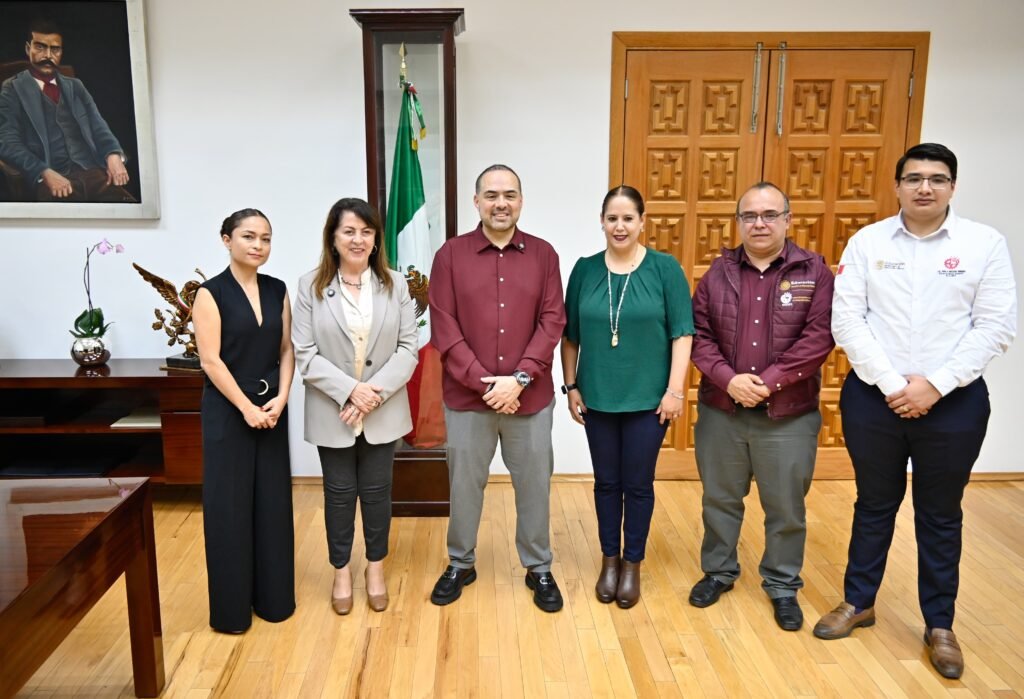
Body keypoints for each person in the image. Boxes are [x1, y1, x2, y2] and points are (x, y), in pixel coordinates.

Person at [813, 143, 1017, 678]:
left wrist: (936, 386)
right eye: (914, 178)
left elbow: (995, 326)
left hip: (955, 403)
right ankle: (858, 602)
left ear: (953, 186)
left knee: (941, 512)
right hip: (874, 399)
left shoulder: (983, 244)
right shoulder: (868, 241)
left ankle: (940, 625)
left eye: (937, 178)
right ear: (897, 186)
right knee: (873, 503)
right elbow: (847, 320)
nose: (925, 187)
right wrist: (892, 385)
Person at [688, 182, 835, 631]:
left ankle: (782, 584)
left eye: (770, 215)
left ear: (788, 220)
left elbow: (818, 338)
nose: (759, 223)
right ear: (738, 222)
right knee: (719, 499)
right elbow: (698, 335)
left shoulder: (815, 273)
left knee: (786, 506)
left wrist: (768, 383)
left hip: (788, 415)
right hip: (722, 410)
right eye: (750, 216)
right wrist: (729, 379)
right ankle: (718, 572)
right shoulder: (716, 274)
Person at [428, 164, 567, 612]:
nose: (500, 203)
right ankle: (460, 563)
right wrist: (485, 384)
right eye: (491, 195)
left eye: (509, 195)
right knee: (465, 485)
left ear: (521, 201)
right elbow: (444, 326)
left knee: (534, 485)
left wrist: (519, 380)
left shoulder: (544, 255)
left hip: (530, 398)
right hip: (468, 400)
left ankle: (538, 567)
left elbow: (552, 321)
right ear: (477, 202)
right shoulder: (450, 255)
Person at [561, 185, 694, 608]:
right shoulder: (584, 270)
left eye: (628, 219)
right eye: (612, 219)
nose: (620, 226)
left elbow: (683, 333)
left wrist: (675, 391)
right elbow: (570, 336)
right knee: (606, 482)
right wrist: (571, 385)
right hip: (597, 398)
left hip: (649, 401)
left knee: (637, 484)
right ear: (601, 222)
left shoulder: (664, 269)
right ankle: (609, 560)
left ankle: (632, 562)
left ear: (642, 222)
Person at [292, 198, 418, 615]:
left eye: (366, 232)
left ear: (376, 239)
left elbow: (408, 348)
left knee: (379, 493)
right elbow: (305, 353)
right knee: (339, 494)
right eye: (349, 231)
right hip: (333, 410)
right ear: (333, 238)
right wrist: (350, 392)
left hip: (382, 409)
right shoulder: (310, 287)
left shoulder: (395, 284)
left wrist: (370, 395)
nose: (358, 239)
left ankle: (375, 569)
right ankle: (341, 571)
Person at [192, 208, 295, 634]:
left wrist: (282, 398)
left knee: (273, 505)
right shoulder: (209, 293)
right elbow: (210, 361)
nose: (258, 245)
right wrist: (246, 408)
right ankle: (232, 613)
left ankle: (274, 601)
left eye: (266, 238)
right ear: (226, 240)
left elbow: (286, 349)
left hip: (272, 410)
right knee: (229, 508)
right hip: (228, 412)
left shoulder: (277, 289)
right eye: (249, 236)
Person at [0, 19, 135, 203]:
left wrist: (113, 154)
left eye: (55, 49)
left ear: (61, 52)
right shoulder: (11, 89)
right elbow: (6, 142)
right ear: (27, 49)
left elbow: (98, 125)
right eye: (40, 47)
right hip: (50, 181)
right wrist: (43, 172)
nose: (48, 55)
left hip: (94, 174)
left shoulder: (75, 86)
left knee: (128, 207)